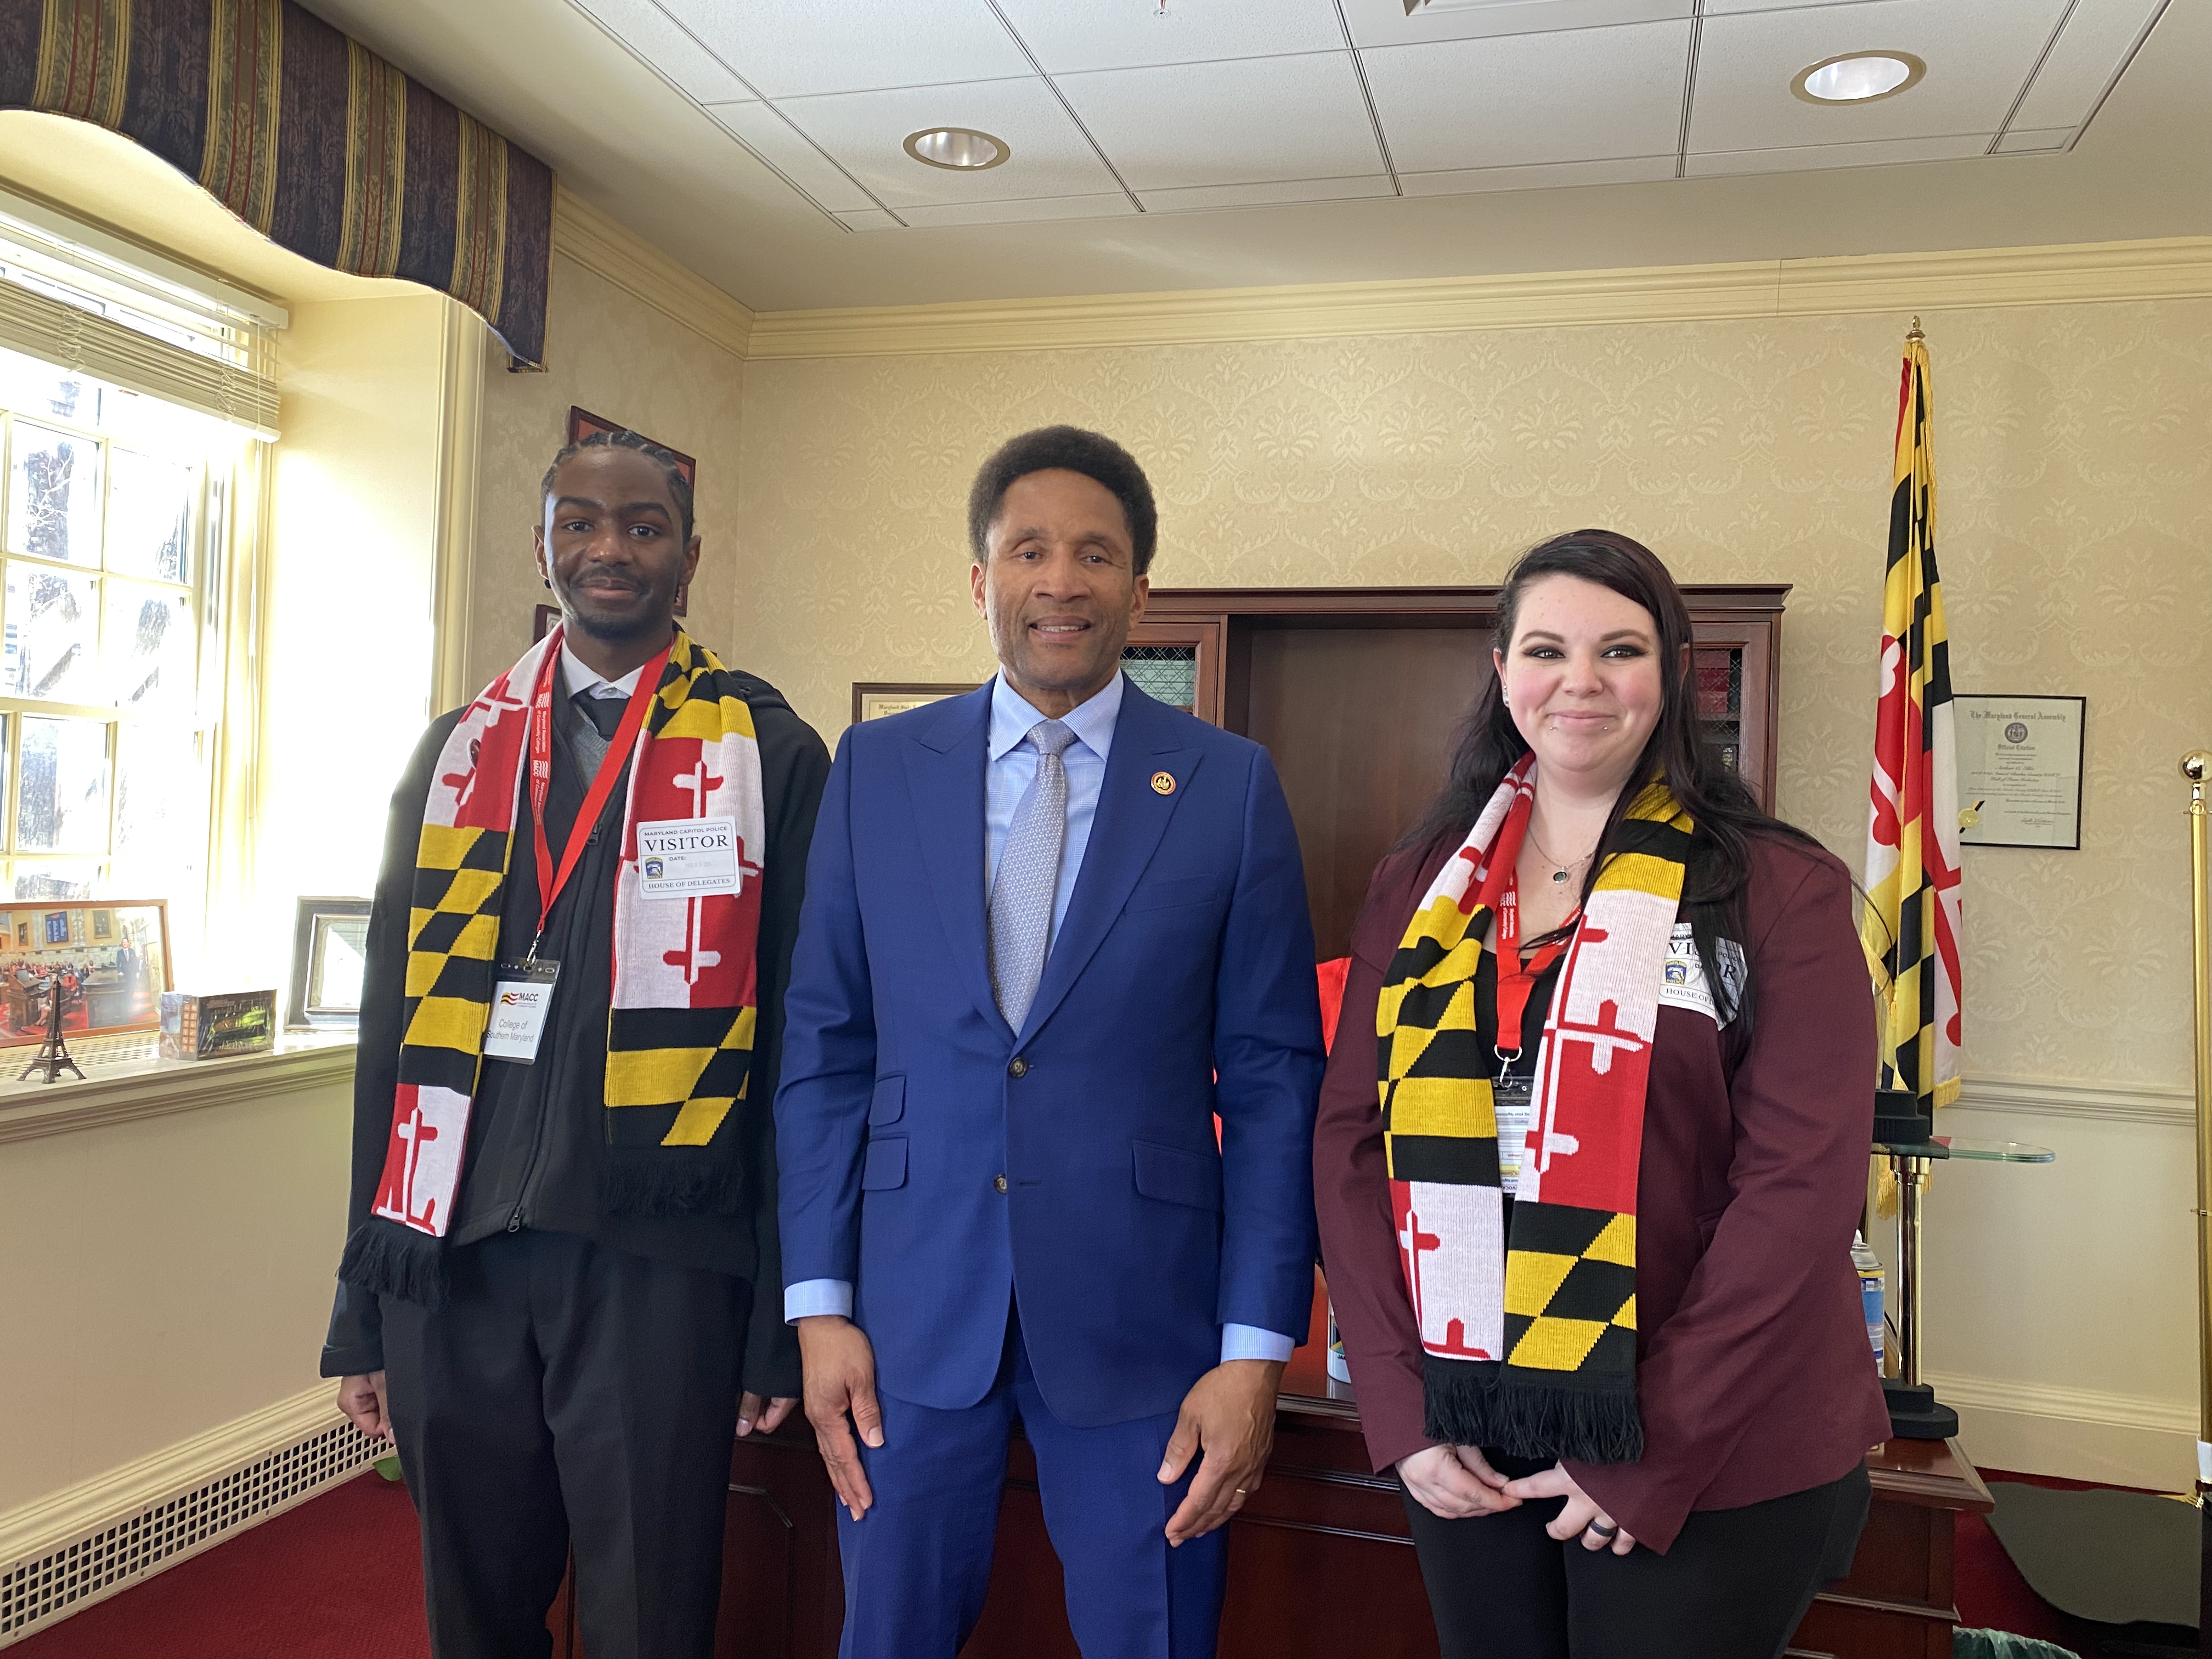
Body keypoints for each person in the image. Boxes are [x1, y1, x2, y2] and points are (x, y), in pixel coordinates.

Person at [775, 426, 1324, 1658]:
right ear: (982, 581)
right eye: (1030, 551)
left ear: (1143, 588)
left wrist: (1256, 1351)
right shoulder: (875, 769)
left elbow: (1278, 1079)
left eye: (1095, 555)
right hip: (908, 1317)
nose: (1061, 581)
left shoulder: (1228, 786)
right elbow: (826, 1047)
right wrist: (819, 1305)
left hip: (1149, 1326)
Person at [1313, 530, 1887, 1659]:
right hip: (1469, 1426)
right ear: (1500, 669)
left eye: (1619, 650)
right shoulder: (1419, 887)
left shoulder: (1777, 887)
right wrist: (1402, 1408)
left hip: (1711, 1446)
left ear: (1671, 672)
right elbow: (1350, 1146)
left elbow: (1800, 1194)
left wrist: (1651, 1444)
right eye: (1546, 649)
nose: (1580, 681)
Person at [320, 429, 830, 1659]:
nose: (611, 549)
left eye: (643, 526)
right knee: (475, 1604)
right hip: (455, 1259)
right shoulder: (454, 752)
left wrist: (775, 1313)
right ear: (542, 544)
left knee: (651, 1611)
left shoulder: (768, 751)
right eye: (582, 524)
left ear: (689, 557)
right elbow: (391, 1037)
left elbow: (800, 1063)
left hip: (657, 1261)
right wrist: (362, 1298)